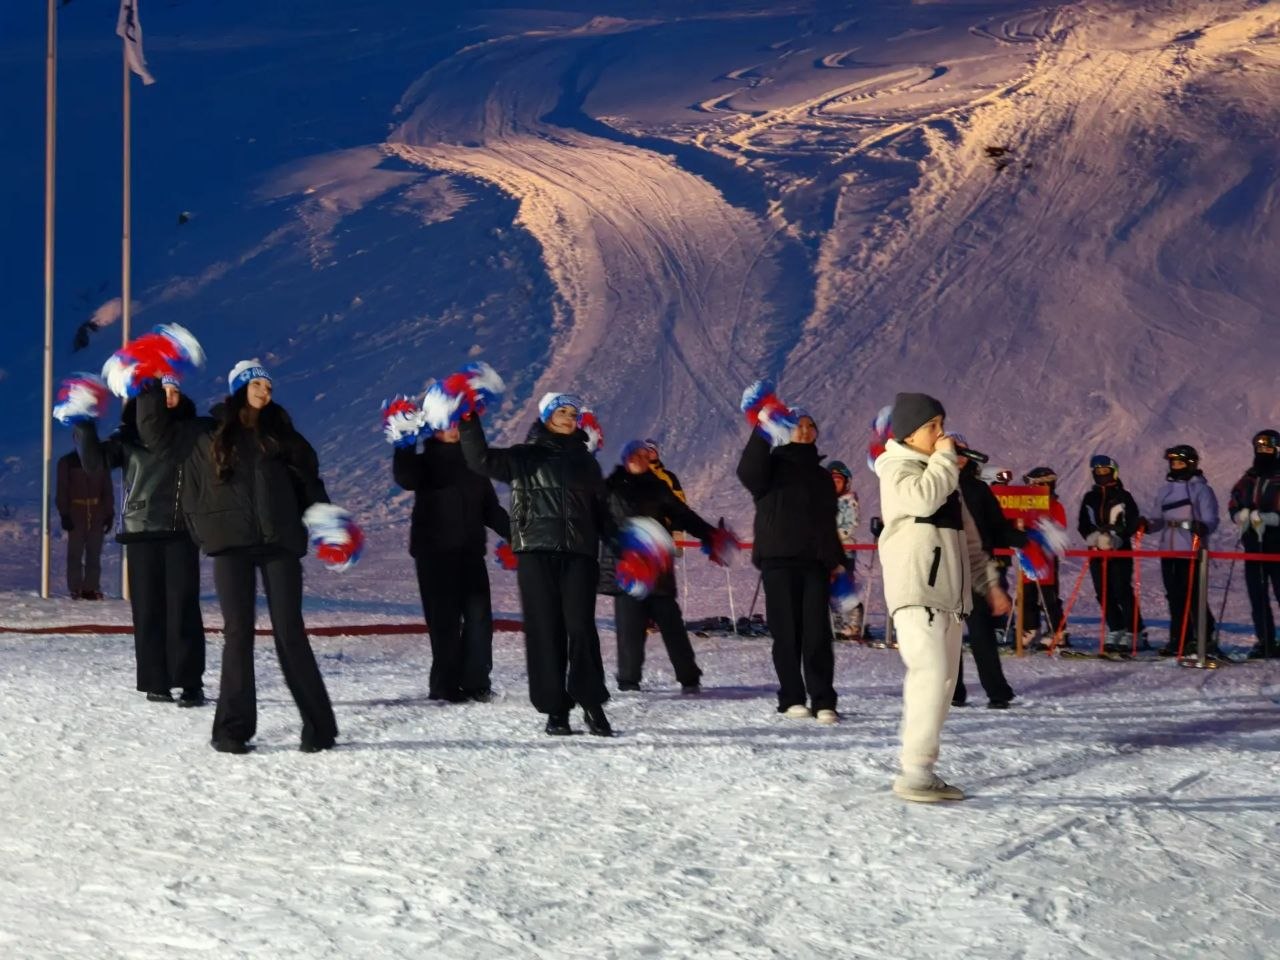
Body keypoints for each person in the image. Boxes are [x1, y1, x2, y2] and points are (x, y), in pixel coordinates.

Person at [138, 360, 340, 754]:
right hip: (231, 543)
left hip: (280, 542)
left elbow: (309, 483)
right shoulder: (205, 432)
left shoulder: (282, 435)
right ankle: (232, 730)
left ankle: (320, 728)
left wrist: (329, 523)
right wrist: (151, 393)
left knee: (290, 632)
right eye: (257, 384)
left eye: (268, 386)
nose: (265, 391)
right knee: (238, 634)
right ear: (239, 389)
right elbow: (156, 436)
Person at [875, 393, 1010, 802]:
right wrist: (946, 459)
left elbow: (970, 543)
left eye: (942, 425)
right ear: (909, 434)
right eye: (932, 427)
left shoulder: (944, 479)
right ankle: (914, 772)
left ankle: (921, 768)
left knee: (944, 683)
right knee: (930, 674)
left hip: (951, 598)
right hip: (918, 590)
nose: (941, 434)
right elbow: (921, 498)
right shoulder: (895, 467)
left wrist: (990, 585)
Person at [460, 390, 616, 736]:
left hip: (579, 555)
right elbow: (479, 460)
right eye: (562, 412)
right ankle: (555, 710)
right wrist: (469, 421)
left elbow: (602, 512)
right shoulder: (523, 456)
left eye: (573, 414)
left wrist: (624, 545)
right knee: (545, 631)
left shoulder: (586, 463)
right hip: (535, 553)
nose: (569, 418)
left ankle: (592, 704)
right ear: (546, 417)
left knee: (581, 629)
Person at [76, 377, 206, 705]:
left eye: (175, 391)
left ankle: (190, 681)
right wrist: (84, 424)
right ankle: (155, 681)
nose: (170, 396)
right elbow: (94, 463)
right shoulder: (129, 436)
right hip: (141, 530)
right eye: (164, 391)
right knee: (148, 609)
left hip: (182, 530)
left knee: (184, 607)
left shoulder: (192, 433)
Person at [737, 406, 844, 724]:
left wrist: (837, 561)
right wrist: (763, 428)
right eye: (798, 425)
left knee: (817, 634)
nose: (806, 430)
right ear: (785, 430)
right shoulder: (769, 467)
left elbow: (828, 522)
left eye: (811, 425)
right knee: (786, 634)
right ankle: (792, 697)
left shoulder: (823, 477)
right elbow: (747, 471)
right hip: (778, 560)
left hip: (815, 562)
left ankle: (823, 700)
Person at [394, 422, 511, 702]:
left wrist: (518, 535)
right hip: (434, 554)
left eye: (458, 423)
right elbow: (406, 478)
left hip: (470, 552)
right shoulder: (424, 462)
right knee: (444, 621)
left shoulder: (474, 463)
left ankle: (476, 682)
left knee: (479, 619)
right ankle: (444, 686)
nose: (454, 429)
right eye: (447, 423)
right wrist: (404, 444)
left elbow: (490, 509)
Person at [602, 440, 717, 693]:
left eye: (645, 455)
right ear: (625, 458)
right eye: (635, 454)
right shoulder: (609, 487)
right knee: (629, 629)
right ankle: (628, 681)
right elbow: (599, 524)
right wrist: (622, 549)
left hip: (656, 568)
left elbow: (684, 515)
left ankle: (689, 677)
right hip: (627, 568)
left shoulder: (658, 487)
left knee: (671, 624)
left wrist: (711, 535)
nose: (640, 459)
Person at [949, 436, 1018, 709]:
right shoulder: (935, 487)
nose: (958, 457)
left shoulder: (978, 489)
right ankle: (953, 691)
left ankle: (997, 692)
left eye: (962, 452)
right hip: (944, 571)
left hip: (975, 569)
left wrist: (1021, 537)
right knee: (948, 636)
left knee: (982, 633)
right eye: (953, 451)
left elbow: (997, 526)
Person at [1145, 444, 1219, 657]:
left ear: (1190, 464)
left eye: (1180, 463)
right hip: (1169, 549)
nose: (1176, 467)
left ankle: (1204, 636)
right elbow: (1157, 519)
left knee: (1194, 594)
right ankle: (1179, 638)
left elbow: (1211, 518)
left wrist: (1203, 527)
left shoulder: (1201, 490)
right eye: (1173, 463)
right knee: (1174, 596)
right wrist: (1146, 525)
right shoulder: (1165, 490)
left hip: (1191, 548)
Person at [1078, 455, 1143, 652]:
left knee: (1121, 589)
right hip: (1096, 550)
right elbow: (1083, 523)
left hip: (1119, 549)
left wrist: (1117, 537)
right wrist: (1093, 537)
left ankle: (1135, 631)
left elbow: (1132, 521)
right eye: (1098, 472)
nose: (1102, 475)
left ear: (1113, 472)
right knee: (1103, 591)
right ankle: (1116, 627)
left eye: (1105, 471)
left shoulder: (1123, 496)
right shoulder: (1090, 497)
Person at [1227, 430, 1280, 659]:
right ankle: (1265, 640)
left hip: (1276, 544)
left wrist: (1270, 518)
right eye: (1260, 449)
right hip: (1253, 544)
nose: (1263, 453)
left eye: (1268, 449)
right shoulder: (1249, 478)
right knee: (1257, 595)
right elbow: (1234, 500)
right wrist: (1239, 515)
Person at [1018, 467, 1068, 648]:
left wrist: (1040, 531)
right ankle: (1031, 628)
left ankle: (1058, 631)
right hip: (1027, 555)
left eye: (1034, 485)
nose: (1031, 488)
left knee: (1048, 595)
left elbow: (1059, 529)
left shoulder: (1054, 505)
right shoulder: (1026, 504)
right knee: (1027, 593)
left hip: (1045, 557)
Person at [55, 447, 113, 600]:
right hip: (76, 511)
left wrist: (109, 513)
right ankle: (75, 587)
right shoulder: (68, 461)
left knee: (94, 552)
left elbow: (107, 489)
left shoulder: (101, 461)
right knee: (75, 552)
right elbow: (62, 490)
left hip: (97, 512)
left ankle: (91, 587)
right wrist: (64, 513)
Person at [828, 460, 864, 640]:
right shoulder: (824, 501)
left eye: (838, 480)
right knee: (828, 586)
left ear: (845, 482)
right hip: (826, 550)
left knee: (842, 585)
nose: (834, 484)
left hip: (843, 550)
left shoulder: (848, 502)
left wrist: (830, 535)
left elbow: (850, 525)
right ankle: (836, 622)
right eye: (831, 481)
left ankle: (854, 620)